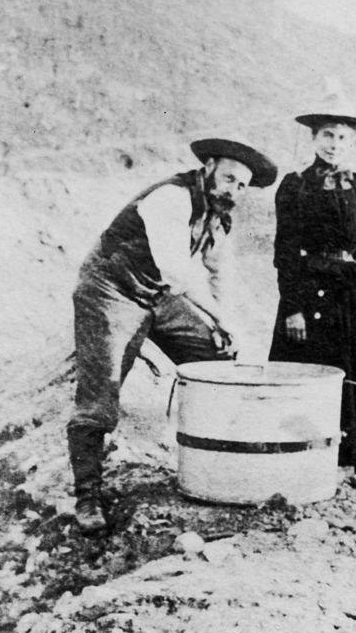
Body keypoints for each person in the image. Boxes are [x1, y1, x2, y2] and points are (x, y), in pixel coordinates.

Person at [67, 138, 277, 534]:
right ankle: (87, 495)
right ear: (209, 166)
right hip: (110, 289)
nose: (233, 189)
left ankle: (214, 465)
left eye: (242, 185)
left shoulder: (218, 216)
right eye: (229, 177)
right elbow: (177, 270)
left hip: (157, 295)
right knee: (101, 394)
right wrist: (219, 317)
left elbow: (220, 272)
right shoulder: (171, 198)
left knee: (216, 360)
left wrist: (226, 325)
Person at [268, 85, 356, 479]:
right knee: (314, 373)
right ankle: (307, 458)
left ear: (353, 142)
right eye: (327, 134)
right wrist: (292, 307)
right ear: (313, 137)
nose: (335, 144)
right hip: (311, 294)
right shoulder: (295, 185)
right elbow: (285, 253)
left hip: (352, 295)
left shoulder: (354, 183)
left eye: (343, 137)